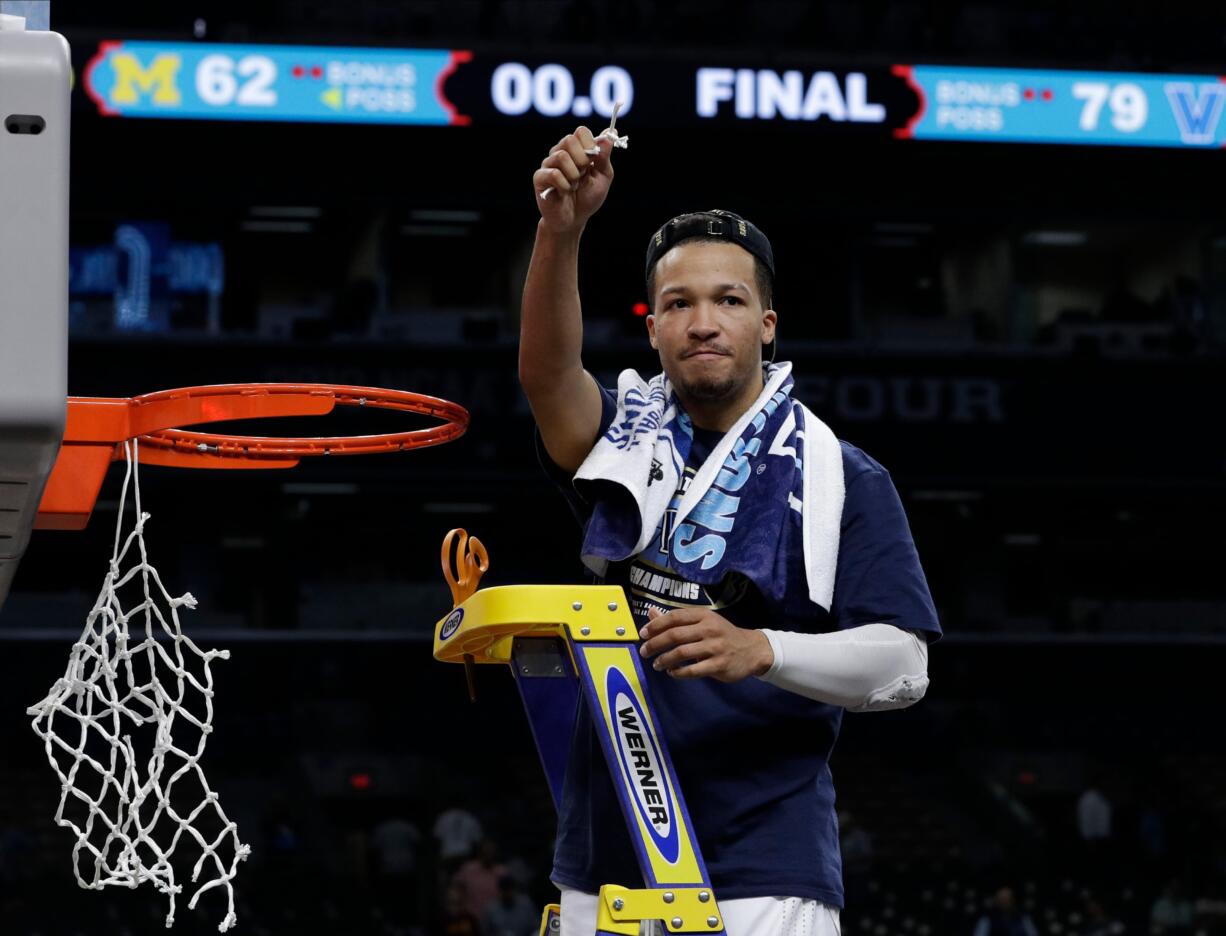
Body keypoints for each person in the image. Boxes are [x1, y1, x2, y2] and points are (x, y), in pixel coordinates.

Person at [519, 124, 941, 936]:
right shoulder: (621, 439)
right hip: (604, 860)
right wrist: (560, 230)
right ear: (653, 331)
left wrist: (763, 650)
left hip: (762, 867)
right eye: (677, 303)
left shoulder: (841, 474)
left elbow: (906, 666)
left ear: (768, 324)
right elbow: (545, 376)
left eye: (729, 301)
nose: (702, 322)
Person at [972, 887, 1038, 936]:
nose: (1004, 902)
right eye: (1002, 899)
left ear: (1012, 900)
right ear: (996, 901)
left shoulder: (1023, 917)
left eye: (1007, 899)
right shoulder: (987, 918)